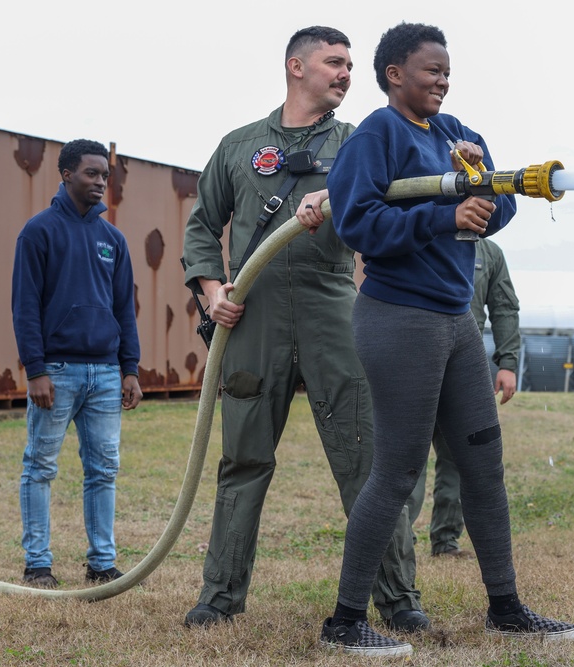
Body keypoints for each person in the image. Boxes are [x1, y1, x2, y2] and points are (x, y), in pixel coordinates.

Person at [318, 22, 574, 657]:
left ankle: (506, 608)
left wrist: (483, 182)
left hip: (458, 323)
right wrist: (447, 213)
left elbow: (504, 207)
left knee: (484, 467)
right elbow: (356, 221)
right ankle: (345, 622)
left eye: (446, 70)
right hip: (398, 319)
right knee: (400, 469)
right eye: (431, 70)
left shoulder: (456, 135)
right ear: (394, 75)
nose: (442, 80)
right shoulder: (375, 137)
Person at [180, 26, 427, 631]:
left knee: (365, 460)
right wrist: (213, 294)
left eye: (349, 65)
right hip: (252, 316)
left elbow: (390, 212)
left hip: (334, 310)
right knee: (242, 458)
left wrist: (338, 197)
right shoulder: (239, 146)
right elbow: (200, 228)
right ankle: (220, 597)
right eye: (334, 62)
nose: (346, 73)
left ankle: (398, 600)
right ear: (296, 67)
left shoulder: (359, 142)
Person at [11, 138, 143, 588]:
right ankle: (38, 564)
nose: (100, 182)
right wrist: (36, 370)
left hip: (106, 374)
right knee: (41, 467)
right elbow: (25, 307)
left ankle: (101, 563)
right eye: (91, 174)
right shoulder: (38, 231)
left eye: (105, 175)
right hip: (58, 373)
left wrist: (130, 369)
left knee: (103, 471)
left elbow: (125, 308)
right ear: (66, 175)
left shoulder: (113, 240)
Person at [407, 237, 520, 558]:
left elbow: (504, 306)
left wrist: (508, 362)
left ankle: (445, 541)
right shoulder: (417, 232)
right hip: (412, 361)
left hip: (464, 365)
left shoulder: (489, 252)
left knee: (459, 455)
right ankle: (399, 541)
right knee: (404, 457)